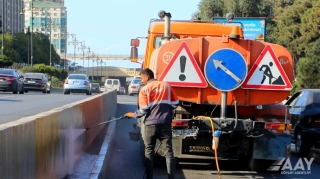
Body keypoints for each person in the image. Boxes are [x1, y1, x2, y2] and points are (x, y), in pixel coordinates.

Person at [124, 68, 179, 179]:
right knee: (169, 152)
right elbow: (176, 103)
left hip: (150, 125)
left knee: (149, 151)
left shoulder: (145, 89)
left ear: (147, 77)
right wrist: (165, 109)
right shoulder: (166, 86)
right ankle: (171, 177)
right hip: (165, 123)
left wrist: (131, 115)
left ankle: (149, 177)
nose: (141, 81)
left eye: (141, 78)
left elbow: (143, 110)